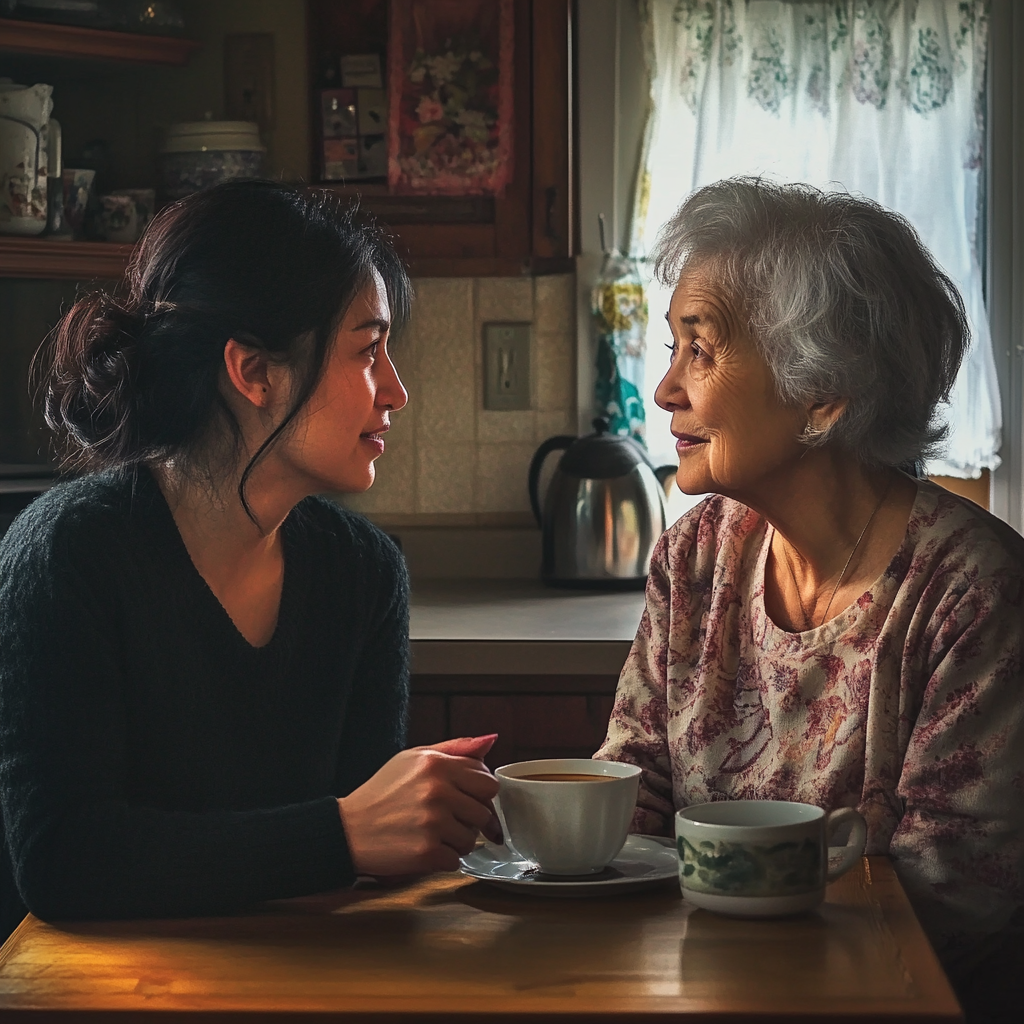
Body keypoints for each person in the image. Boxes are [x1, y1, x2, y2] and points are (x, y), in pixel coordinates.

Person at [0, 180, 500, 943]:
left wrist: (417, 814)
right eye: (368, 351)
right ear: (254, 372)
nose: (396, 390)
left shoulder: (363, 574)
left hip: (298, 977)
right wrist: (342, 833)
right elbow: (62, 860)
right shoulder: (68, 556)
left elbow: (368, 855)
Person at [594, 178, 1024, 1021]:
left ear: (823, 395)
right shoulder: (695, 557)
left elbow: (952, 905)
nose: (666, 391)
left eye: (700, 351)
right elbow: (633, 798)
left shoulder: (972, 594)